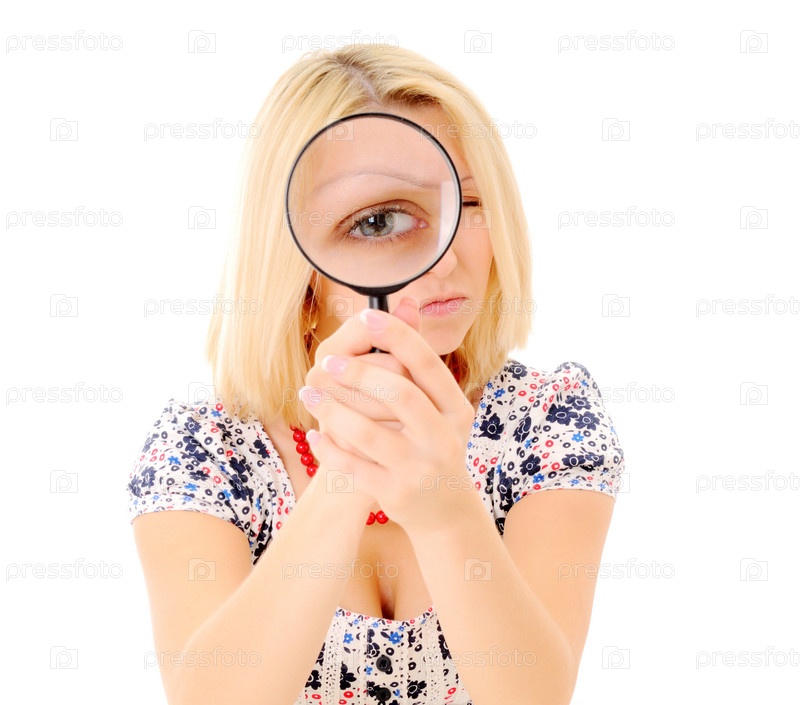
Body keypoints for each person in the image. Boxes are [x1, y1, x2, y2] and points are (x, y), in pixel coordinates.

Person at [126, 43, 626, 705]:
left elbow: (534, 697)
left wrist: (447, 511)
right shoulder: (202, 449)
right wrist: (347, 470)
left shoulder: (549, 418)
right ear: (293, 259)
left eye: (468, 202)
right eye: (380, 220)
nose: (447, 255)